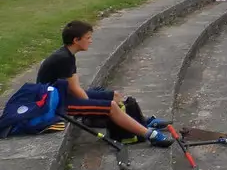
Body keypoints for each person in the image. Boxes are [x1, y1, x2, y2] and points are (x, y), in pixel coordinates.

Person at [36, 21, 174, 147]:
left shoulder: (66, 55)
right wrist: (94, 106)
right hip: (56, 103)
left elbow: (74, 88)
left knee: (113, 96)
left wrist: (98, 100)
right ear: (76, 40)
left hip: (62, 95)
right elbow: (76, 90)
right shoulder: (64, 59)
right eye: (88, 38)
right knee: (111, 106)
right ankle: (151, 135)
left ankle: (141, 120)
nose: (91, 41)